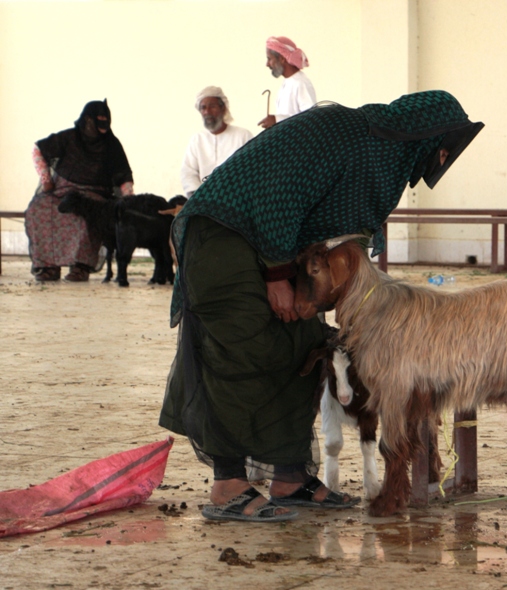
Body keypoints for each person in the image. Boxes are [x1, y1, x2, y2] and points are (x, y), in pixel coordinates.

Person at [159, 90, 483, 522]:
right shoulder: (347, 135)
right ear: (423, 134)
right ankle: (228, 485)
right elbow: (278, 195)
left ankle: (290, 477)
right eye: (445, 146)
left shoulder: (383, 161)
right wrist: (277, 278)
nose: (445, 157)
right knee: (242, 348)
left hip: (274, 249)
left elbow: (347, 241)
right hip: (223, 239)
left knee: (307, 347)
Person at [25, 100, 134, 282]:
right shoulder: (68, 137)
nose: (102, 126)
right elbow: (38, 149)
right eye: (97, 121)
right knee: (39, 209)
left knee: (85, 215)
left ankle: (80, 267)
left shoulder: (112, 145)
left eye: (105, 120)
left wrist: (129, 201)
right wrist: (46, 180)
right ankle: (47, 266)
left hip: (94, 195)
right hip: (61, 191)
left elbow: (124, 176)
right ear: (86, 120)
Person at [180, 86, 253, 198]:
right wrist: (197, 196)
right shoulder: (197, 139)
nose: (207, 112)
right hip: (204, 201)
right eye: (203, 108)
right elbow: (188, 172)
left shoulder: (242, 135)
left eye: (212, 106)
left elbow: (250, 170)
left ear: (223, 108)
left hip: (237, 199)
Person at [258, 36, 316, 129]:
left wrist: (276, 120)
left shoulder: (301, 83)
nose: (267, 64)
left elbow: (311, 118)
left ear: (282, 59)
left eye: (269, 59)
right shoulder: (287, 82)